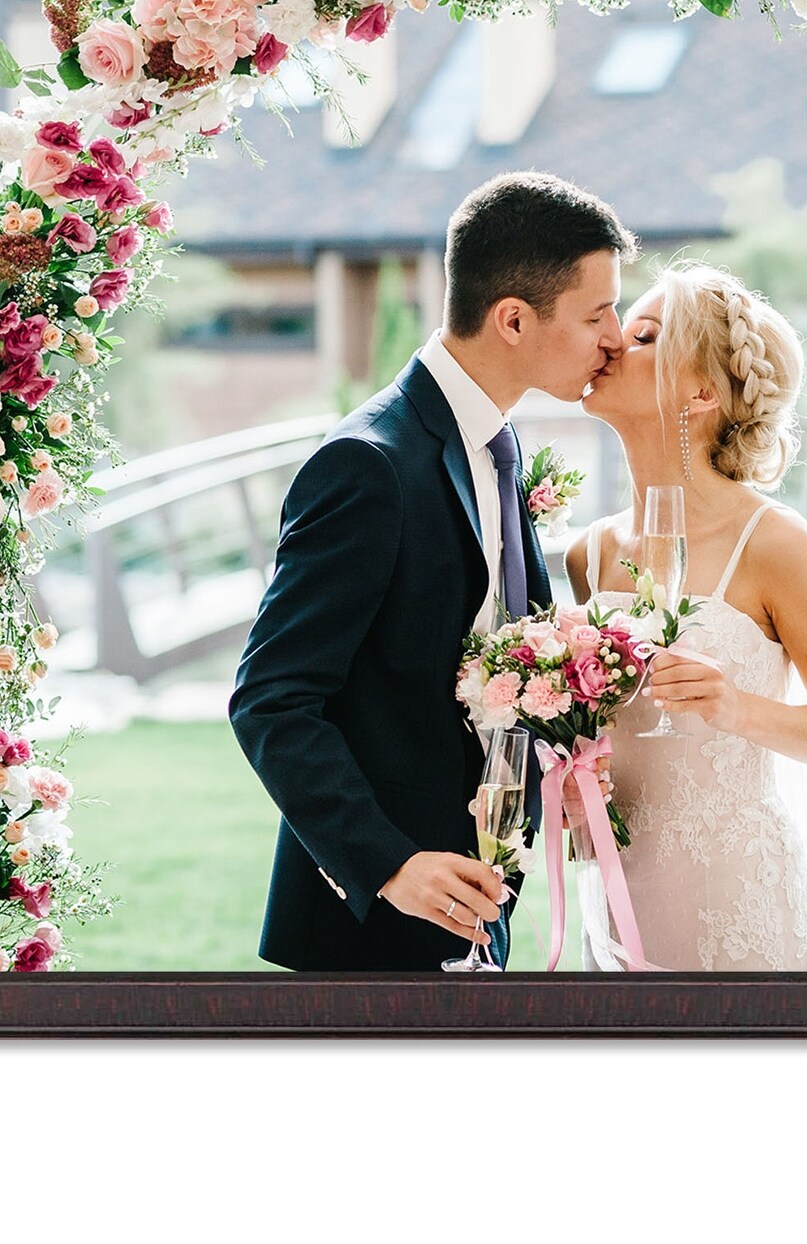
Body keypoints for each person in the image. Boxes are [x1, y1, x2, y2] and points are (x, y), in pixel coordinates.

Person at [230, 171, 636, 971]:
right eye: (597, 314)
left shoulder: (496, 447)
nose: (615, 338)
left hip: (477, 902)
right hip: (373, 933)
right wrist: (389, 865)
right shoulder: (368, 465)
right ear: (512, 319)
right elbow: (271, 698)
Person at [565, 260, 807, 971]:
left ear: (702, 392)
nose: (613, 341)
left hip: (741, 913)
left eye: (644, 336)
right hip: (617, 913)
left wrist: (737, 708)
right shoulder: (590, 553)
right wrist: (569, 782)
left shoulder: (775, 543)